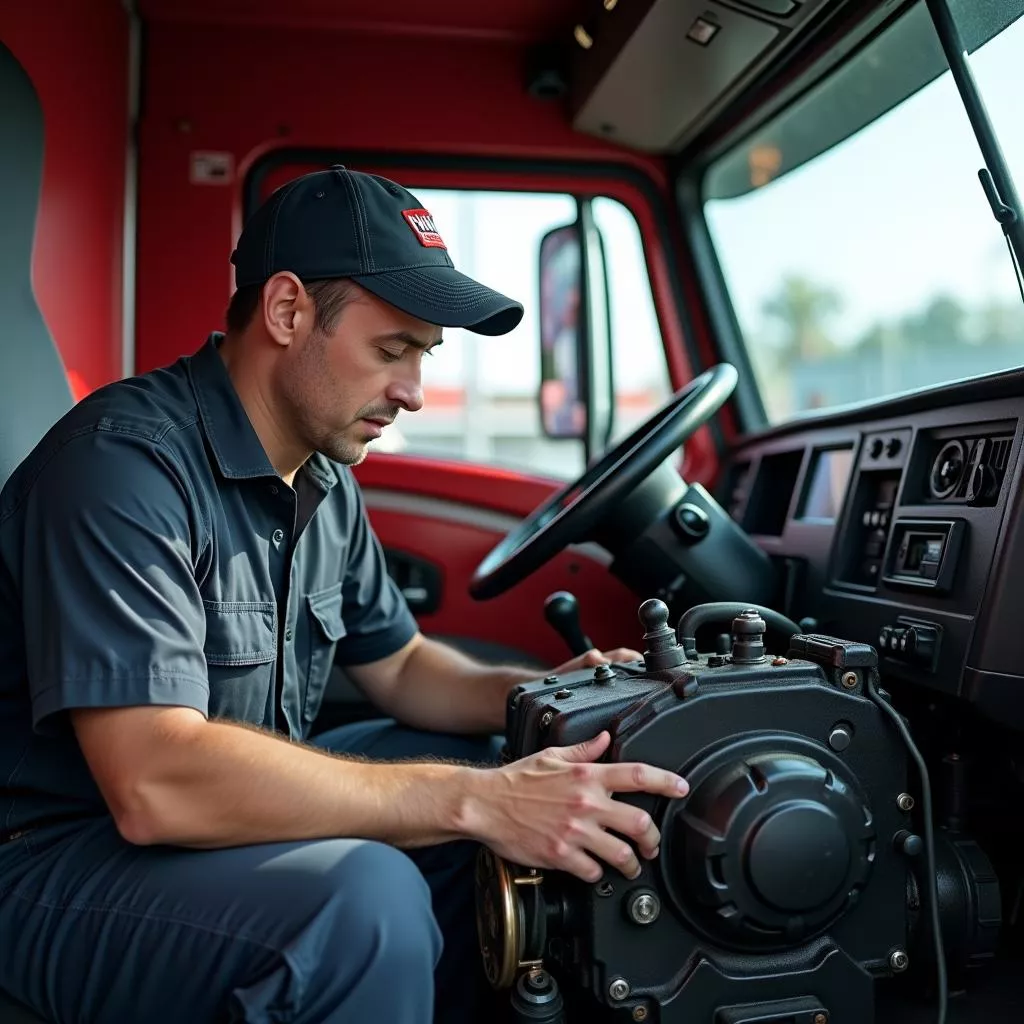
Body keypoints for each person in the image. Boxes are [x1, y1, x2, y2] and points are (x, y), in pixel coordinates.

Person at [0, 166, 690, 1024]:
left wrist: (548, 700)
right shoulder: (121, 468)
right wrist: (474, 803)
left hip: (194, 825)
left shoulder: (322, 476)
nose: (412, 390)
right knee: (364, 905)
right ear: (287, 312)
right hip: (51, 857)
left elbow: (399, 666)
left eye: (424, 356)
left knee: (486, 765)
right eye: (391, 350)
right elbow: (153, 783)